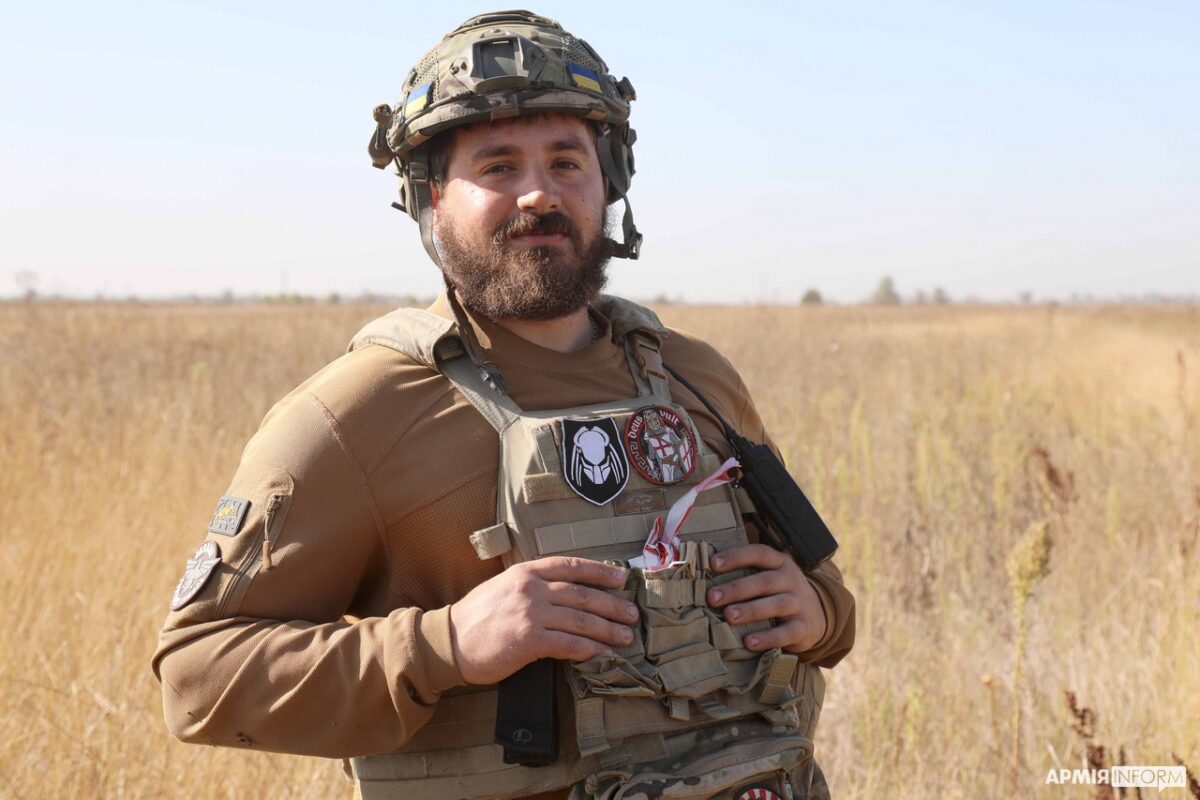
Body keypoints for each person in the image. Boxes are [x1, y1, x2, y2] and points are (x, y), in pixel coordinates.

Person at [152, 10, 855, 800]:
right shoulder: (359, 414)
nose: (539, 193)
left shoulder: (696, 378)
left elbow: (823, 593)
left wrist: (818, 610)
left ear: (610, 181)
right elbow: (197, 674)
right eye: (497, 166)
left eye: (567, 161)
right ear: (432, 195)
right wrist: (445, 643)